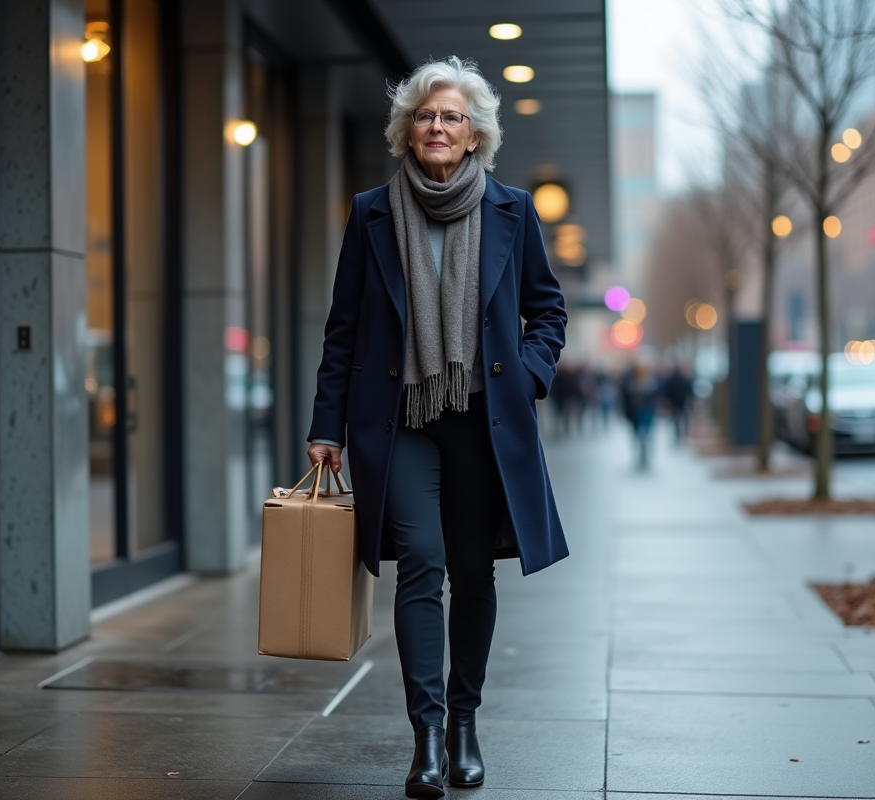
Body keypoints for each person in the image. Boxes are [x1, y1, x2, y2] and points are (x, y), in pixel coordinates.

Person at [305, 56, 568, 799]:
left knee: (473, 571)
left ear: (476, 132)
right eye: (426, 115)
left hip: (485, 421)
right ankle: (424, 734)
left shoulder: (514, 209)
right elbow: (343, 331)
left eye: (452, 116)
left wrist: (529, 370)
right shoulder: (372, 213)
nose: (438, 127)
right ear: (406, 131)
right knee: (420, 562)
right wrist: (325, 424)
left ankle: (463, 723)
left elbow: (547, 311)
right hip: (402, 419)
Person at [621, 361, 660, 469]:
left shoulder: (651, 383)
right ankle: (641, 455)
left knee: (645, 435)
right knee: (638, 435)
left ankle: (644, 455)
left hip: (646, 413)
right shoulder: (631, 383)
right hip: (637, 414)